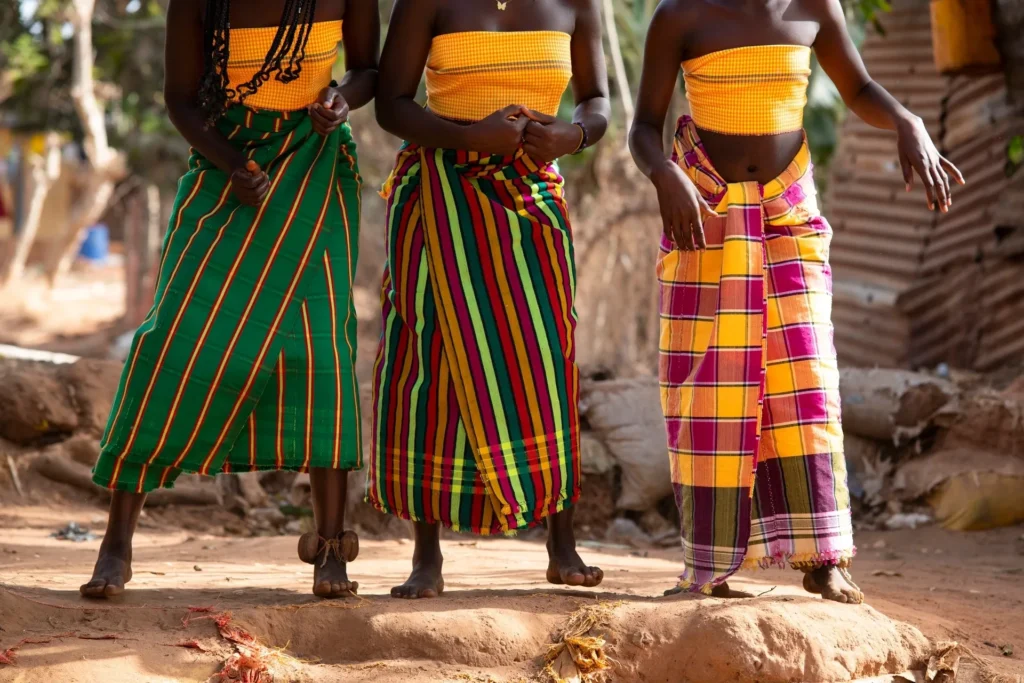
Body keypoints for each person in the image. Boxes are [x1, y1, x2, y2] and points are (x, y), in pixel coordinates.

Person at [629, 0, 964, 603]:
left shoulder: (814, 5)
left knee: (806, 380)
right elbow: (642, 128)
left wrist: (908, 121)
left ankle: (823, 556)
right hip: (705, 214)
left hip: (789, 213)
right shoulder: (677, 15)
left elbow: (857, 85)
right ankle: (709, 563)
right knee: (709, 389)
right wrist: (665, 177)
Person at [82, 0, 378, 600]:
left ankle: (330, 548)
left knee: (320, 349)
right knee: (173, 340)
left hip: (316, 169)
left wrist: (340, 98)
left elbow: (368, 70)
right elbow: (182, 103)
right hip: (227, 169)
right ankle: (117, 541)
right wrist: (233, 164)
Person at [370, 0, 611, 599]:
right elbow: (392, 104)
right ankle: (426, 556)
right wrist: (465, 135)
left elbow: (598, 101)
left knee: (545, 357)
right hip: (437, 194)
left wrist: (573, 134)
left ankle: (561, 544)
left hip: (531, 198)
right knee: (429, 359)